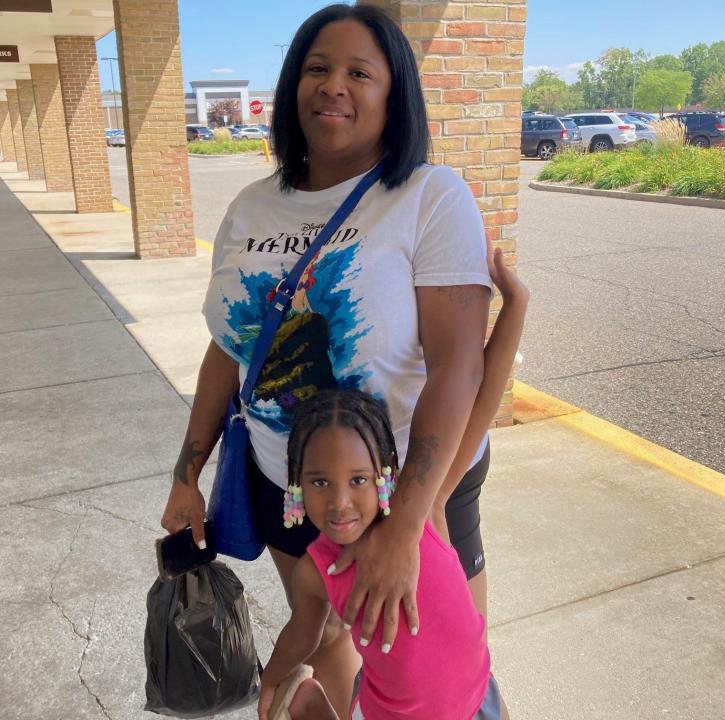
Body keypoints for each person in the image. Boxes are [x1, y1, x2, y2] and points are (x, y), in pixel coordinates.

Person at [163, 4, 501, 714]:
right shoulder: (252, 208)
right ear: (291, 87)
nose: (332, 85)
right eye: (316, 68)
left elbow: (459, 366)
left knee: (437, 676)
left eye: (358, 72)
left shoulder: (428, 198)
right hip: (290, 483)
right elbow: (229, 350)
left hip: (408, 485)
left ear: (393, 94)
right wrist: (186, 473)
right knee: (329, 634)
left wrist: (406, 523)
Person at [258, 248, 527, 720]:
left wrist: (516, 303)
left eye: (358, 479)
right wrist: (272, 679)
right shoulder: (317, 570)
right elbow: (306, 635)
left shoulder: (428, 512)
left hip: (480, 701)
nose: (340, 502)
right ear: (296, 484)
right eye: (320, 482)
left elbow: (481, 403)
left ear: (384, 475)